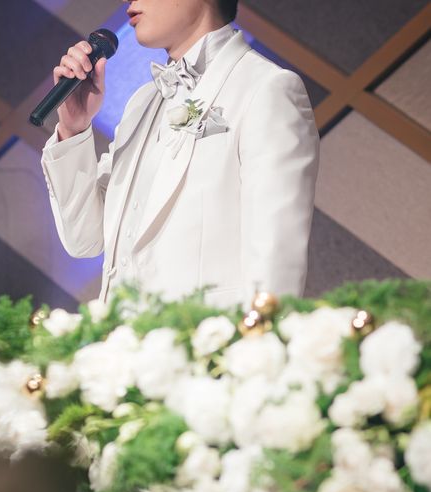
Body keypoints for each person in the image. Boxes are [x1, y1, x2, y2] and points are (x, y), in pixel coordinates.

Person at [41, 0, 319, 308]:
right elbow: (84, 239)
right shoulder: (141, 103)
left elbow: (275, 259)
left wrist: (256, 332)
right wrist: (74, 128)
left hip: (207, 332)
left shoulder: (266, 87)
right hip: (120, 334)